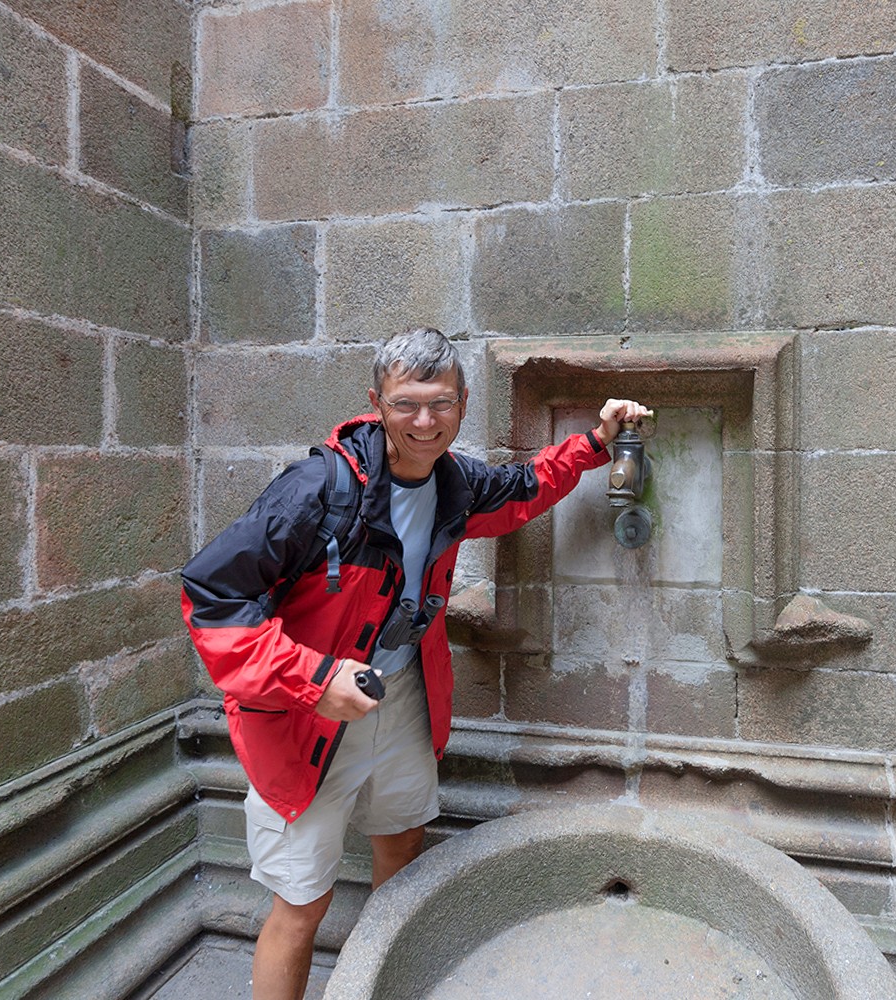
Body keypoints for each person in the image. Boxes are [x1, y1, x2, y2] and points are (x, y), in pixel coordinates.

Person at [180, 327, 650, 1000]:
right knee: (301, 905)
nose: (424, 422)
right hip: (303, 724)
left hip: (400, 700)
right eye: (406, 404)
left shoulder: (454, 483)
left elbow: (525, 488)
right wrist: (311, 679)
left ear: (462, 401)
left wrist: (597, 445)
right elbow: (210, 595)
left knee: (401, 855)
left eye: (440, 403)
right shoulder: (317, 491)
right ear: (376, 402)